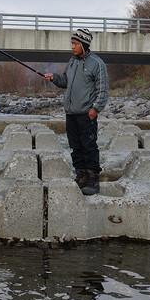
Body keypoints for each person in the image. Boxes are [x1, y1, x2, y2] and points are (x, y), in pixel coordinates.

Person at [44, 28, 109, 196]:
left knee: (89, 147)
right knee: (75, 147)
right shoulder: (72, 62)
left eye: (75, 44)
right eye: (72, 43)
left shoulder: (97, 64)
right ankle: (81, 176)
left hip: (87, 113)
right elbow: (66, 81)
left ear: (84, 45)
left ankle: (93, 181)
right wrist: (54, 78)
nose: (72, 47)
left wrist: (95, 108)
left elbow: (102, 90)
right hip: (71, 113)